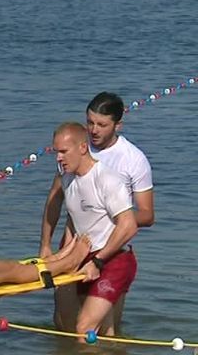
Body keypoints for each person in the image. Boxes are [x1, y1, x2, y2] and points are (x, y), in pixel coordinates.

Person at [39, 92, 154, 334]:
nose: (94, 130)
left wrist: (112, 220)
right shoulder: (71, 150)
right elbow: (56, 199)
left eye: (101, 125)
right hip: (74, 244)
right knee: (64, 323)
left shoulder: (133, 160)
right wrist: (47, 246)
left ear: (118, 125)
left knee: (102, 328)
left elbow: (146, 214)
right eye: (90, 122)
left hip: (111, 248)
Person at [51, 122, 138, 341]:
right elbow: (74, 221)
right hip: (85, 257)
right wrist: (60, 257)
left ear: (82, 148)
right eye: (56, 152)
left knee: (84, 328)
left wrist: (98, 262)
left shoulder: (107, 179)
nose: (58, 158)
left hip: (115, 260)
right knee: (100, 332)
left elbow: (128, 225)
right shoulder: (67, 180)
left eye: (63, 152)